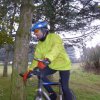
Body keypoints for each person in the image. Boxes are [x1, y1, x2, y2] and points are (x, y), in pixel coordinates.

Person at [23, 21, 72, 100]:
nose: (35, 34)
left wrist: (47, 59)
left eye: (36, 31)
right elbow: (36, 59)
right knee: (40, 74)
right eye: (34, 32)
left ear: (44, 30)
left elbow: (56, 48)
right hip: (51, 65)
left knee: (65, 88)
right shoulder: (39, 44)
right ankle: (52, 93)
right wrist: (30, 71)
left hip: (63, 65)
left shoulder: (54, 37)